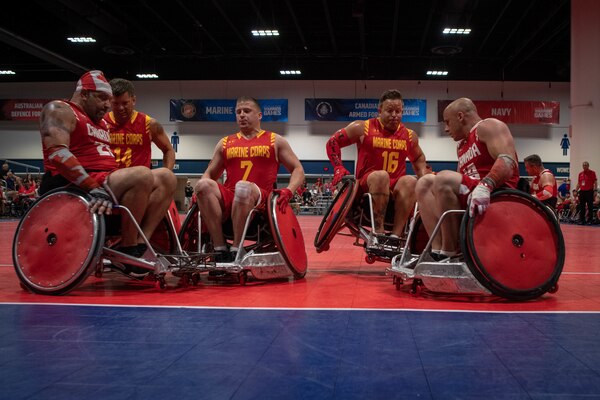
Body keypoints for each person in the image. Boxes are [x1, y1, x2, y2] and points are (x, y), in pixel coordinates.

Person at [38, 70, 171, 265]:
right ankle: (128, 247)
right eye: (102, 98)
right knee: (142, 174)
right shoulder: (60, 109)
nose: (108, 105)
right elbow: (58, 154)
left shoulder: (100, 123)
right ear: (84, 94)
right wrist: (92, 186)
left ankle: (141, 242)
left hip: (104, 180)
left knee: (166, 177)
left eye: (109, 100)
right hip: (72, 184)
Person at [195, 96, 304, 263]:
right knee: (202, 185)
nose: (242, 115)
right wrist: (198, 193)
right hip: (231, 198)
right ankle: (220, 248)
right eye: (238, 112)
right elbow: (209, 174)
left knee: (243, 187)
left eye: (247, 111)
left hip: (261, 199)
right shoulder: (225, 143)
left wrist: (289, 190)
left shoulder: (275, 140)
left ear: (259, 115)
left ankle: (236, 249)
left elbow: (298, 169)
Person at [415, 98, 519, 261]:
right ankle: (437, 251)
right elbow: (456, 183)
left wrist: (486, 185)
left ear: (461, 116)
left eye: (448, 122)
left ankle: (450, 252)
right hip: (471, 194)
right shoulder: (461, 146)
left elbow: (508, 161)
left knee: (443, 178)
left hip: (496, 192)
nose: (446, 129)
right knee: (423, 182)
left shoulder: (488, 126)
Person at [326, 89, 429, 239]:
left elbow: (418, 157)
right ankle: (379, 232)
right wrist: (338, 167)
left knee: (410, 181)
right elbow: (333, 142)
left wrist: (424, 176)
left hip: (395, 187)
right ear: (379, 110)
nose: (394, 115)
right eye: (389, 111)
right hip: (367, 184)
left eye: (398, 111)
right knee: (381, 176)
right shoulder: (363, 127)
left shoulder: (409, 135)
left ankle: (396, 235)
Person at [104, 78, 176, 170]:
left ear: (133, 100)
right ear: (109, 101)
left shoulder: (149, 124)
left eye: (125, 103)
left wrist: (167, 172)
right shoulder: (101, 122)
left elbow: (168, 150)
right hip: (110, 180)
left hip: (139, 181)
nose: (120, 108)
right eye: (115, 103)